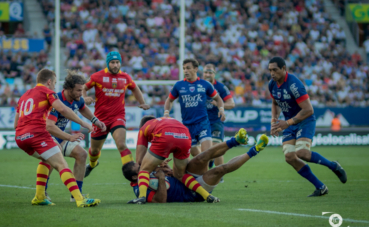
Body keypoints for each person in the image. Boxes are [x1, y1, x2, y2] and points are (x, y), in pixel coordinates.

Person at [14, 68, 100, 207]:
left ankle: (40, 196)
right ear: (49, 82)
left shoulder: (24, 96)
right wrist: (83, 124)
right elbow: (63, 110)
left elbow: (15, 124)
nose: (54, 86)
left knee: (48, 158)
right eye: (54, 83)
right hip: (38, 134)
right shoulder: (49, 93)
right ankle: (79, 199)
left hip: (21, 137)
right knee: (61, 164)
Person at [268, 57, 347, 197]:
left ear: (284, 68)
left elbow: (309, 110)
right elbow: (275, 103)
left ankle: (333, 166)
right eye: (270, 70)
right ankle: (321, 187)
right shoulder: (272, 84)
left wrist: (287, 123)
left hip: (305, 121)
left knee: (302, 153)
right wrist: (274, 121)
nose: (272, 73)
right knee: (290, 157)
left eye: (275, 70)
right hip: (289, 123)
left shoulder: (294, 85)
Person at [123, 129, 267, 203]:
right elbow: (161, 200)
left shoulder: (148, 172)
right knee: (220, 169)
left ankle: (235, 140)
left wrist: (169, 171)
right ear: (135, 176)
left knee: (202, 157)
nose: (142, 167)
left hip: (186, 177)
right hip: (192, 193)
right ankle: (254, 150)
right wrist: (161, 178)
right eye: (138, 168)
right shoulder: (139, 191)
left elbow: (172, 176)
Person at [83, 51, 150, 177]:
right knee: (94, 151)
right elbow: (83, 88)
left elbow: (135, 88)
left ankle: (133, 173)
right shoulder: (97, 76)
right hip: (100, 120)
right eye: (112, 63)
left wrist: (142, 102)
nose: (115, 65)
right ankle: (92, 164)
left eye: (117, 62)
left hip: (117, 117)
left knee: (121, 144)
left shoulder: (125, 77)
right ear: (108, 63)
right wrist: (85, 97)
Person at [127, 116, 220, 204]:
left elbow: (139, 161)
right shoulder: (163, 120)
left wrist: (155, 164)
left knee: (144, 169)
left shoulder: (144, 128)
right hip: (185, 134)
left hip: (164, 134)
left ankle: (141, 197)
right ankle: (207, 195)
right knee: (181, 175)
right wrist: (159, 161)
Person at [45, 70, 106, 202]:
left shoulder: (76, 99)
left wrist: (96, 121)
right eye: (78, 90)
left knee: (82, 155)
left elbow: (83, 107)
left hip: (60, 138)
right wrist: (67, 137)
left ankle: (76, 195)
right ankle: (42, 192)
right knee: (51, 158)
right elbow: (49, 126)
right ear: (68, 89)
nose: (81, 93)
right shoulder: (56, 100)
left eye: (82, 90)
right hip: (47, 138)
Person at [164, 59, 226, 173]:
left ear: (195, 69)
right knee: (193, 154)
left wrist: (221, 109)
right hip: (187, 126)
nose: (185, 71)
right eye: (184, 68)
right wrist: (166, 113)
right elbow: (169, 100)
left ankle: (205, 181)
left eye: (188, 68)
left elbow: (218, 99)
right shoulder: (179, 85)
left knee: (205, 155)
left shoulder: (205, 84)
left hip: (203, 124)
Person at [203, 64, 235, 172]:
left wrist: (219, 105)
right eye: (206, 72)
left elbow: (231, 104)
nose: (208, 74)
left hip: (216, 121)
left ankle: (219, 175)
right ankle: (206, 172)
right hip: (201, 123)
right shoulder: (198, 86)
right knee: (204, 151)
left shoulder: (220, 87)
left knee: (217, 147)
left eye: (210, 72)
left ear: (214, 74)